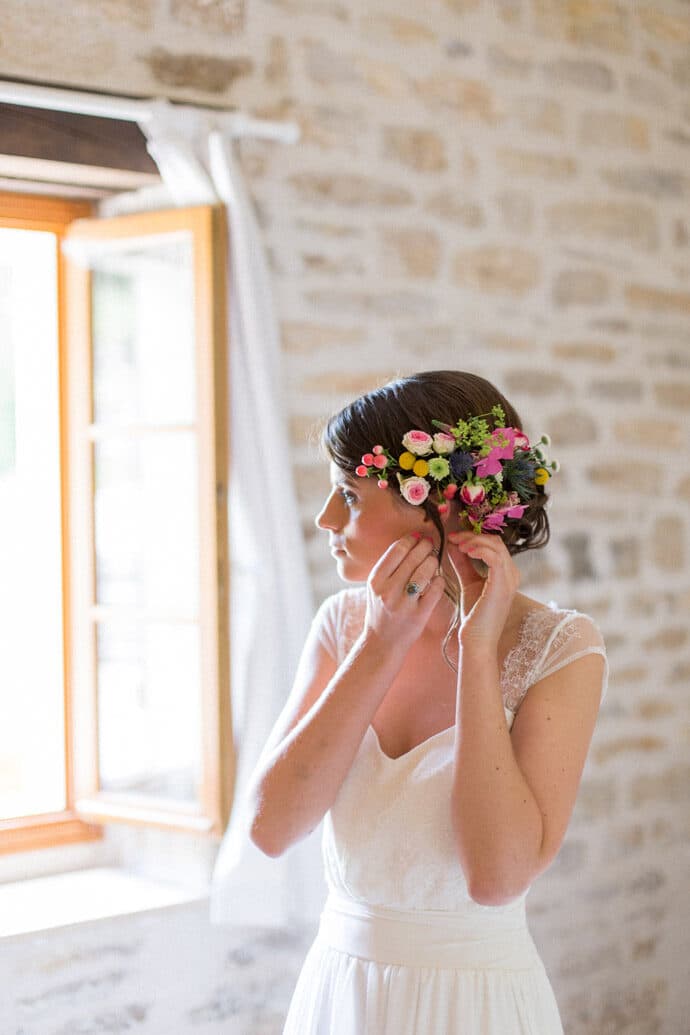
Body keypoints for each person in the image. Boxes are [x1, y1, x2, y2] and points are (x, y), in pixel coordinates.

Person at [247, 370, 608, 1034]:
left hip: (475, 1008)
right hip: (342, 995)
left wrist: (477, 648)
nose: (326, 519)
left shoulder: (562, 648)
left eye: (349, 494)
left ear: (439, 504)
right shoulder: (341, 625)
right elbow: (270, 829)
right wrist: (381, 645)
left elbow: (495, 878)